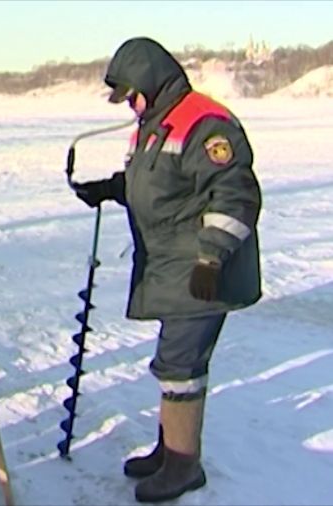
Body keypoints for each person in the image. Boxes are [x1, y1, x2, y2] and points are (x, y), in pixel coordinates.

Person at [72, 37, 262, 503]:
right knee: (175, 363)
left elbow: (235, 194)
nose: (130, 105)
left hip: (202, 269)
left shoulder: (205, 123)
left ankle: (183, 466)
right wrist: (112, 188)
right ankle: (169, 449)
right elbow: (158, 183)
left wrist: (211, 256)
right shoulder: (155, 124)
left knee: (181, 365)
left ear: (151, 83)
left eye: (132, 94)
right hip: (173, 265)